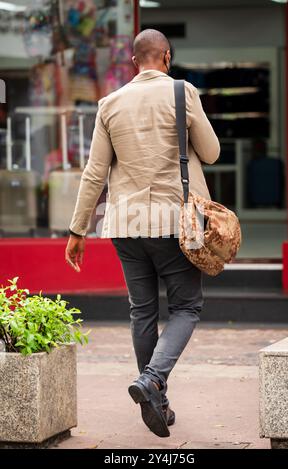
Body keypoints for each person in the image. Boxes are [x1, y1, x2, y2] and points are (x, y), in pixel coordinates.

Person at [65, 29, 220, 438]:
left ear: (135, 61)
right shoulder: (183, 92)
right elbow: (211, 151)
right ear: (166, 57)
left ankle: (157, 399)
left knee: (142, 311)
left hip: (125, 225)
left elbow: (95, 172)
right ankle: (153, 380)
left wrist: (78, 229)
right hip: (174, 224)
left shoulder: (109, 103)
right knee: (186, 307)